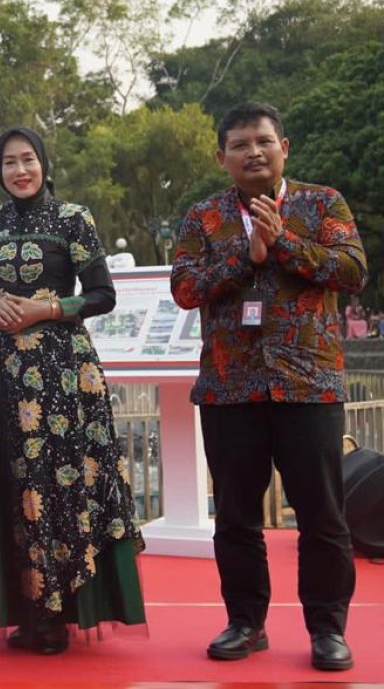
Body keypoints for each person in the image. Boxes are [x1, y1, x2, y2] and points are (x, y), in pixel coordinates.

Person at [171, 102, 364, 672]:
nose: (253, 152)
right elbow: (184, 287)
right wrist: (244, 254)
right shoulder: (204, 217)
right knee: (234, 516)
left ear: (284, 147)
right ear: (222, 156)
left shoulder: (322, 203)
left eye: (263, 141)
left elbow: (352, 271)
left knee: (323, 517)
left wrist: (282, 245)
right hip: (231, 389)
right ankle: (245, 622)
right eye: (240, 144)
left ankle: (328, 630)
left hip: (309, 384)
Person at [0, 127, 145, 655]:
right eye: (10, 163)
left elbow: (103, 294)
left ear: (43, 163)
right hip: (5, 377)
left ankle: (61, 613)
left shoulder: (73, 219)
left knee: (59, 486)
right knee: (11, 485)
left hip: (64, 378)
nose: (20, 171)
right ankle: (22, 608)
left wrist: (48, 309)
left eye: (29, 160)